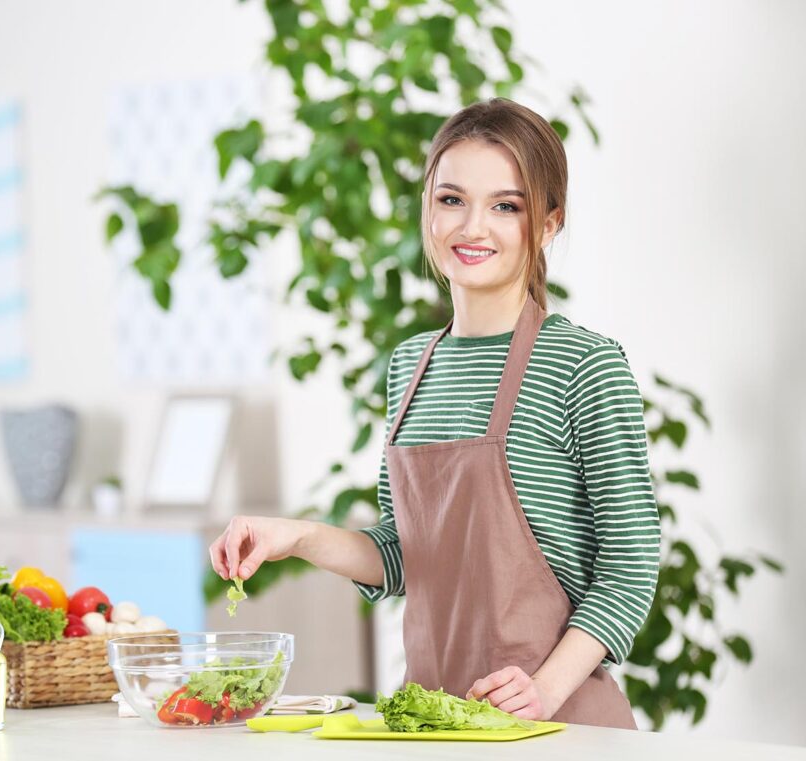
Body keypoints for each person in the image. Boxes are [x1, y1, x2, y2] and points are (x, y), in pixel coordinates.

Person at [209, 98, 660, 729]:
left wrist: (544, 691)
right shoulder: (410, 365)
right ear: (428, 207)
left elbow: (630, 566)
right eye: (452, 200)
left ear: (550, 223)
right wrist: (298, 537)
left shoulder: (583, 364)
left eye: (508, 206)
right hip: (435, 723)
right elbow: (404, 556)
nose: (473, 227)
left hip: (559, 726)